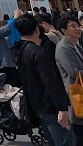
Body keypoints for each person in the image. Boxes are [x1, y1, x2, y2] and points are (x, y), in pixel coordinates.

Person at [14, 14, 72, 146]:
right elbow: (51, 83)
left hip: (36, 105)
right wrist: (62, 108)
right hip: (50, 106)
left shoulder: (20, 50)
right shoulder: (39, 53)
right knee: (65, 141)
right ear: (37, 29)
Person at [53, 14, 83, 146]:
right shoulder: (63, 48)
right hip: (76, 93)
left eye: (78, 26)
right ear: (64, 30)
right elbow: (73, 72)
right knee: (79, 132)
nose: (78, 29)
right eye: (73, 26)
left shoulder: (76, 44)